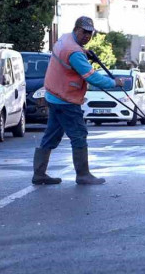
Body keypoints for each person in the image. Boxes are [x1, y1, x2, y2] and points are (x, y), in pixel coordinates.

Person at [32, 16, 125, 186]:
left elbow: (70, 57)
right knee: (79, 135)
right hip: (66, 99)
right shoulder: (74, 52)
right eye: (84, 32)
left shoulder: (64, 39)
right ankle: (83, 175)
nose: (87, 36)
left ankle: (39, 174)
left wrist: (83, 52)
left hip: (54, 95)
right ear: (76, 29)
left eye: (90, 33)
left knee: (52, 134)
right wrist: (114, 83)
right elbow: (93, 78)